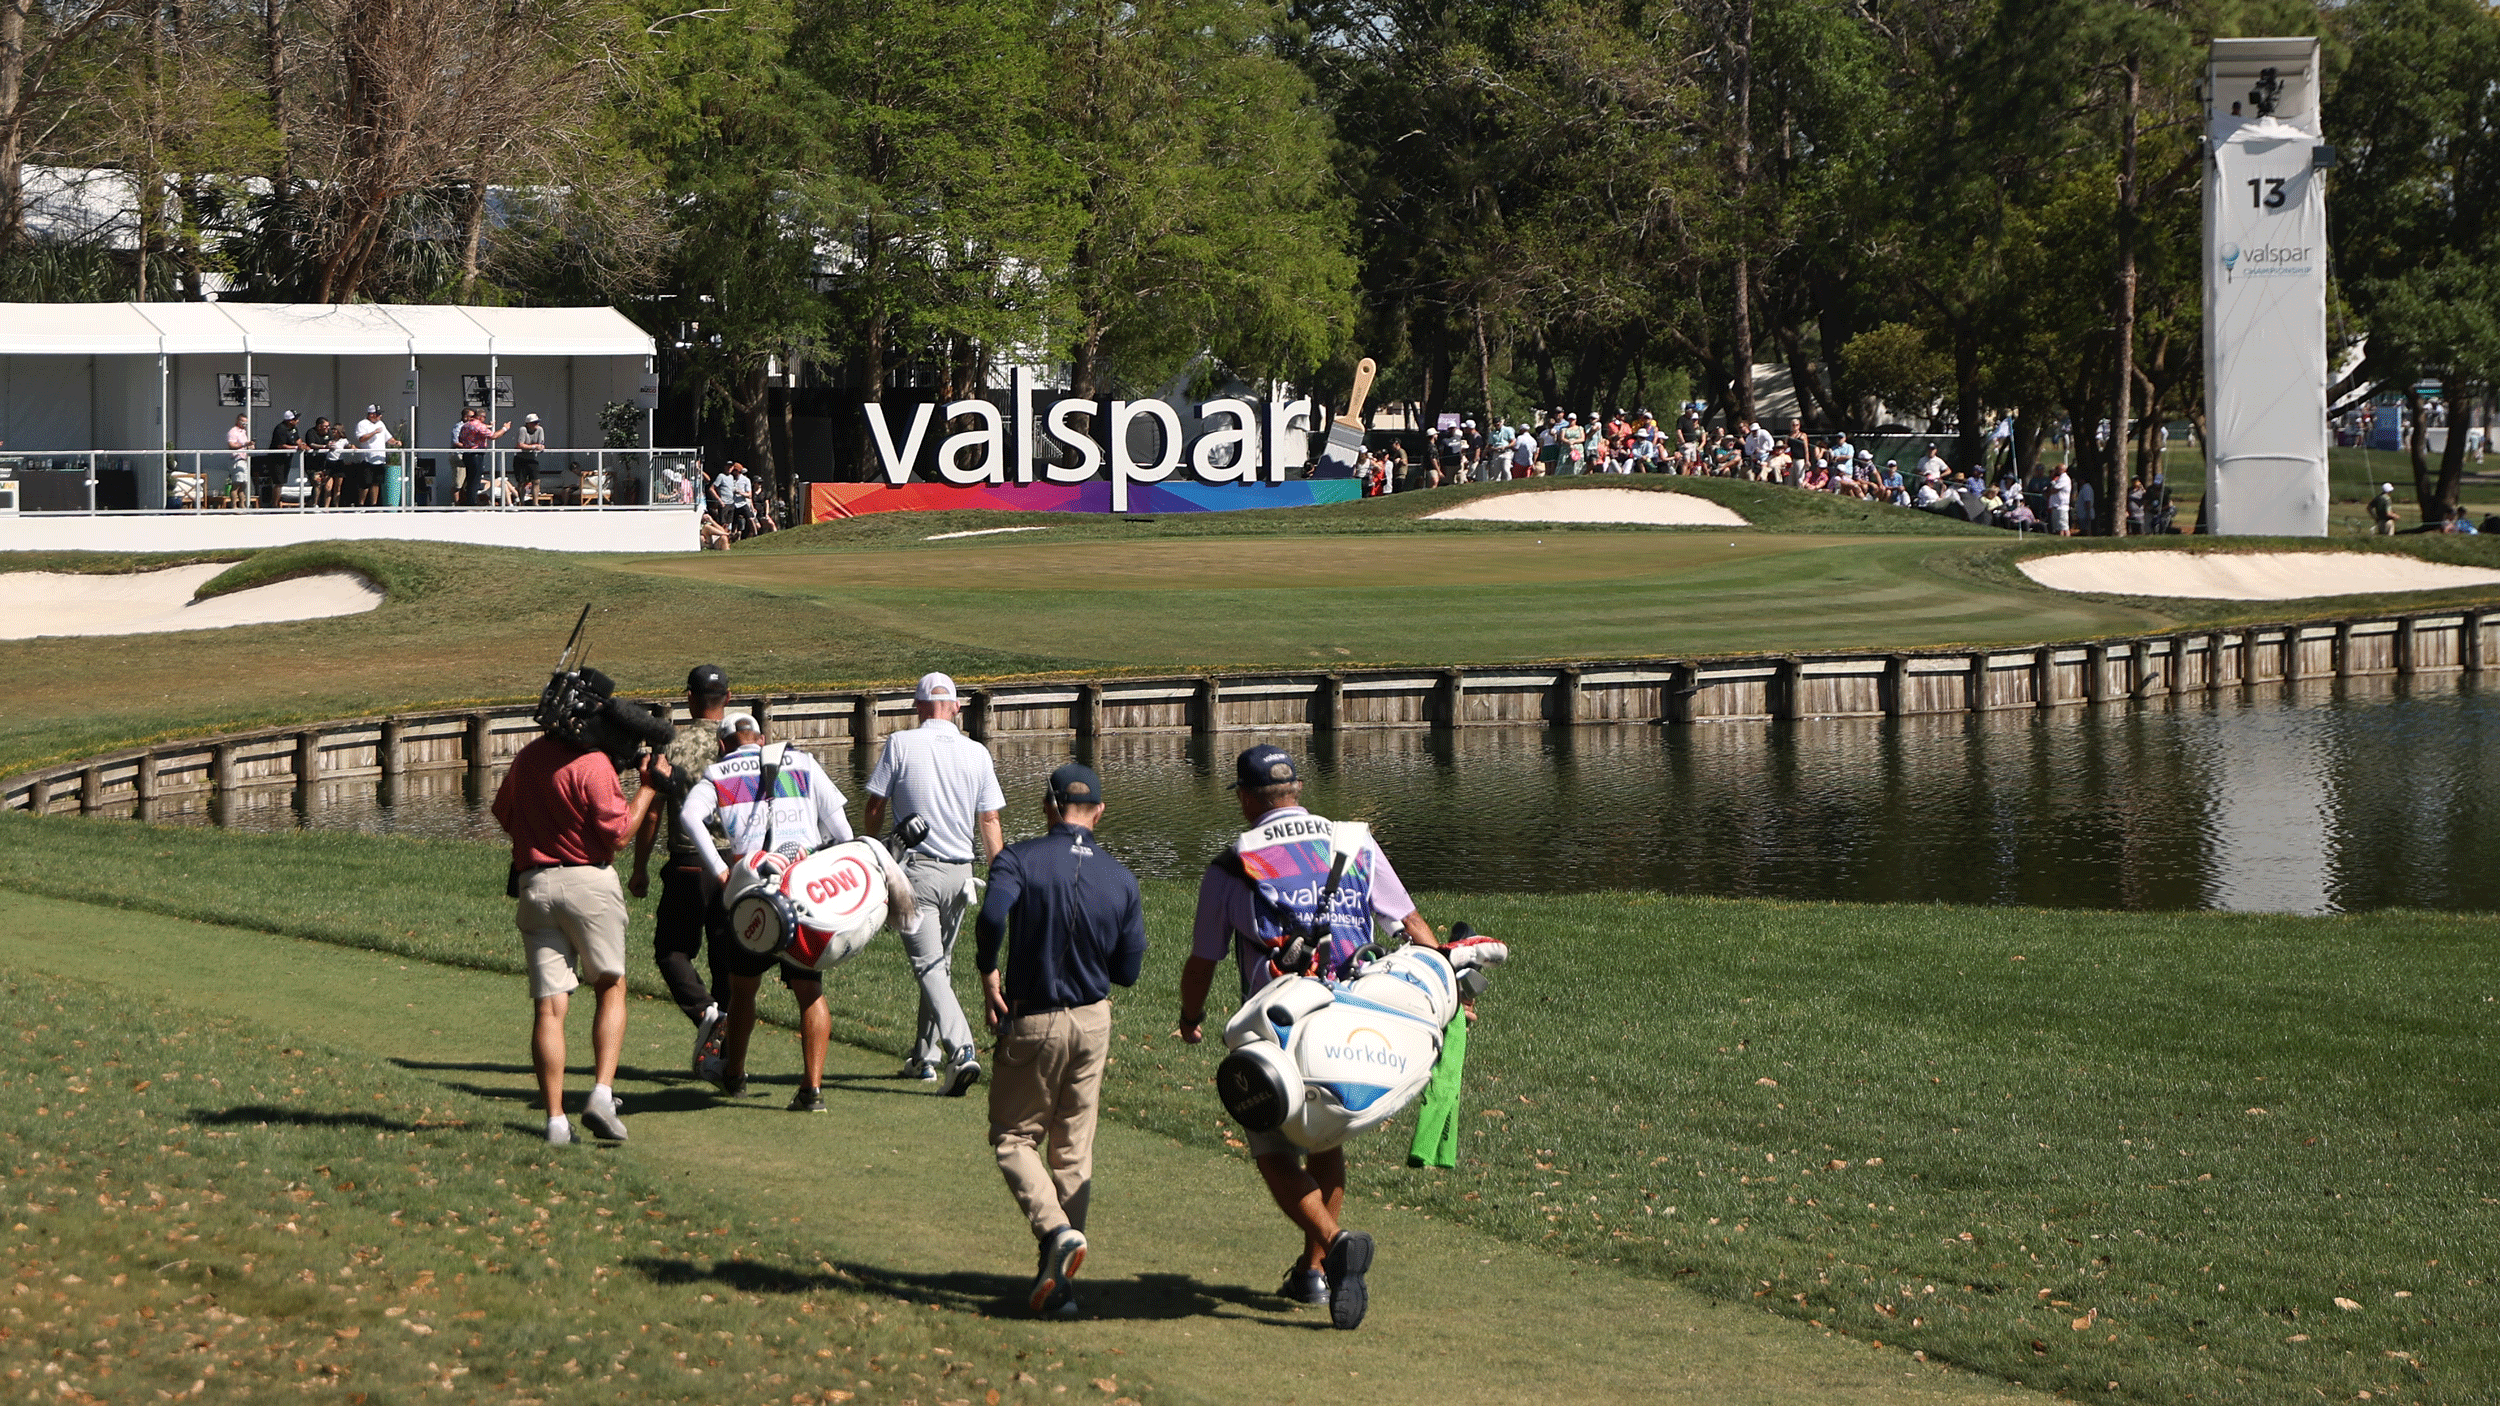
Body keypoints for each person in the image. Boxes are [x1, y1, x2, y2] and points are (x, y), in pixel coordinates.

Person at [1177, 744, 1441, 1330]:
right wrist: (1444, 994)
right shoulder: (1354, 841)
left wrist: (1190, 1015)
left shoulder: (1232, 864)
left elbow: (1204, 958)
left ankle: (1334, 1240)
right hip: (1355, 1026)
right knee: (1325, 1139)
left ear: (1247, 797)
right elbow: (1414, 927)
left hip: (1278, 1031)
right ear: (1296, 790)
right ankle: (1314, 1273)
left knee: (1273, 1150)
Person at [974, 763, 1147, 1318]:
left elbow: (993, 916)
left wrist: (988, 972)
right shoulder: (1120, 876)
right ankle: (1062, 1286)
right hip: (1094, 1021)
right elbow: (1130, 969)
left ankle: (1054, 1234)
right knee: (1072, 1152)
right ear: (1097, 812)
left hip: (1035, 1019)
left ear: (1049, 807)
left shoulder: (1018, 859)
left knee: (1013, 1139)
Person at [490, 686, 670, 1146]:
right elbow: (620, 835)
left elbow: (502, 812)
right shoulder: (594, 765)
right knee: (610, 984)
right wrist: (649, 787)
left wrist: (537, 836)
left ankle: (554, 1121)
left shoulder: (527, 758)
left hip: (534, 884)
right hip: (589, 884)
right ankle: (602, 1095)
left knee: (550, 1006)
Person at [680, 712, 857, 1111]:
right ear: (762, 738)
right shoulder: (803, 762)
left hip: (755, 894)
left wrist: (723, 871)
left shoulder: (719, 772)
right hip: (805, 891)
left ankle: (735, 1073)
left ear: (725, 743)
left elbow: (689, 816)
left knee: (744, 989)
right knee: (809, 990)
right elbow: (843, 833)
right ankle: (811, 1089)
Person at [864, 672, 1005, 1096]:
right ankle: (924, 1058)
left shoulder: (901, 744)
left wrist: (874, 855)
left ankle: (961, 1050)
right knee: (937, 967)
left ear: (918, 706)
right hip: (962, 876)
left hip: (916, 875)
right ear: (957, 708)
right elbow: (990, 821)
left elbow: (875, 804)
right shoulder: (978, 752)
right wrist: (1001, 880)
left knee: (929, 968)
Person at [630, 664, 738, 1086]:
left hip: (689, 864)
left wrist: (639, 867)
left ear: (688, 698)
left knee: (671, 951)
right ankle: (728, 1060)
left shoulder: (670, 743)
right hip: (733, 866)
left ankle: (704, 1013)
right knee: (726, 964)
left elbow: (653, 808)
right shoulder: (740, 743)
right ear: (728, 698)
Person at [353, 405, 398, 506]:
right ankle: (361, 504)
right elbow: (361, 439)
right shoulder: (362, 424)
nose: (380, 416)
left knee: (376, 483)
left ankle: (374, 504)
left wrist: (395, 442)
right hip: (367, 458)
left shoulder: (381, 424)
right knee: (365, 483)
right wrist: (374, 432)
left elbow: (388, 438)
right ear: (371, 414)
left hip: (379, 458)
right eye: (378, 414)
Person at [513, 414, 547, 501]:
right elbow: (520, 445)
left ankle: (535, 504)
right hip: (520, 459)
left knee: (536, 481)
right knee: (521, 482)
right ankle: (522, 503)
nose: (537, 424)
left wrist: (540, 447)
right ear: (528, 423)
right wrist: (534, 447)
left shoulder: (540, 429)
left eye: (538, 422)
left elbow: (541, 444)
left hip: (532, 459)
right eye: (534, 422)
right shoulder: (523, 429)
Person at [224, 413, 253, 508]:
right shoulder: (233, 431)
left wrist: (250, 446)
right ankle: (234, 506)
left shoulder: (243, 432)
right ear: (237, 421)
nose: (244, 424)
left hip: (244, 460)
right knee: (236, 485)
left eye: (246, 423)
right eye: (243, 422)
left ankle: (242, 505)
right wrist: (244, 445)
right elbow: (231, 445)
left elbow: (245, 444)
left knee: (243, 485)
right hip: (236, 460)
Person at [2047, 463, 2073, 536]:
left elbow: (2055, 489)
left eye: (2058, 469)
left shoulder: (2064, 478)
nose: (2057, 470)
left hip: (2061, 506)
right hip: (2056, 506)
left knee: (2063, 527)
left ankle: (2065, 541)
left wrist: (2049, 491)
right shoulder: (2058, 478)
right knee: (2058, 528)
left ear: (2064, 470)